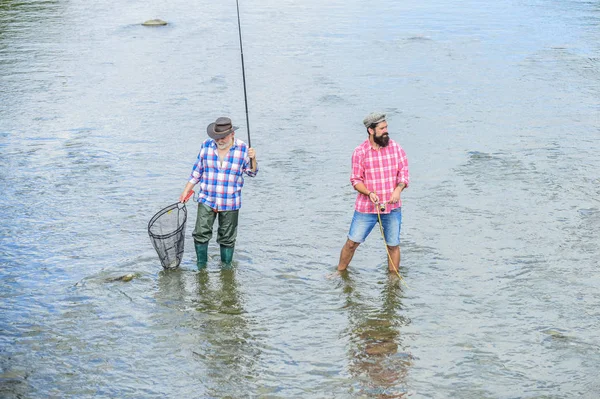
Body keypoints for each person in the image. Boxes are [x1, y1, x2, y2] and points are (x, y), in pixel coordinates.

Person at [179, 116, 258, 268]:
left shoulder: (243, 148)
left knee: (227, 238)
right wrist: (185, 191)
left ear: (232, 134)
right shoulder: (206, 146)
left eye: (223, 137)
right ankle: (201, 267)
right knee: (200, 234)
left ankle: (226, 269)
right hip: (206, 199)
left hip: (230, 201)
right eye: (217, 137)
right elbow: (197, 172)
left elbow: (252, 173)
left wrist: (253, 159)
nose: (220, 141)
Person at [337, 112, 409, 273]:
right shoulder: (360, 152)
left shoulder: (396, 148)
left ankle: (393, 281)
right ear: (371, 130)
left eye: (386, 127)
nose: (386, 131)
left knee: (393, 246)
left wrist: (398, 189)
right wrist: (369, 193)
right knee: (351, 243)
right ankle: (339, 273)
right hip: (366, 209)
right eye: (382, 128)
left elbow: (404, 175)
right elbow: (356, 180)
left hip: (392, 208)